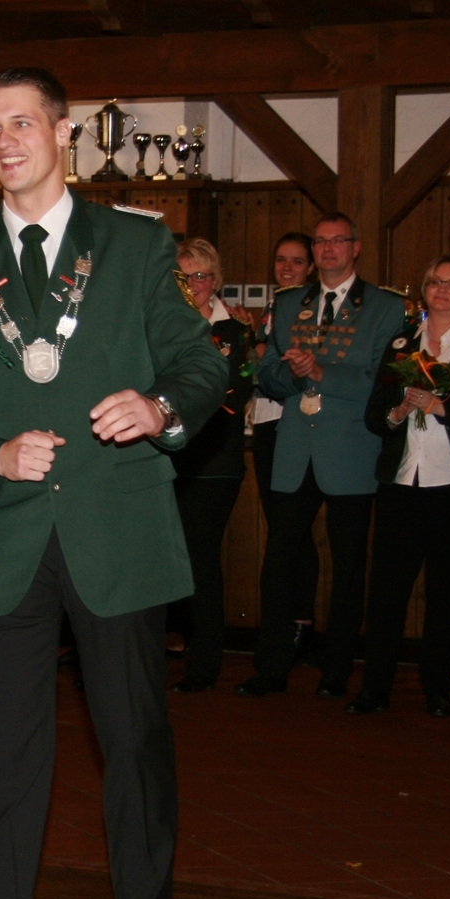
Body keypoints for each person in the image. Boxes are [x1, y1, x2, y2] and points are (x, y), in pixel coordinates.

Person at [0, 67, 228, 899]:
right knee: (4, 755)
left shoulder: (135, 243)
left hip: (117, 526)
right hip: (2, 533)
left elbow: (202, 364)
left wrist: (158, 406)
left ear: (64, 132)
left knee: (134, 740)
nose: (5, 141)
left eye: (22, 123)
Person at [237, 212, 407, 701]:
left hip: (351, 448)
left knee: (348, 564)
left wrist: (319, 373)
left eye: (337, 241)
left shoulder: (385, 306)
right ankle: (271, 667)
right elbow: (267, 375)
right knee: (278, 560)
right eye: (320, 242)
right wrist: (293, 375)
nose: (328, 249)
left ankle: (336, 669)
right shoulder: (290, 302)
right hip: (295, 447)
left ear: (356, 248)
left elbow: (382, 381)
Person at [347, 256, 450, 718]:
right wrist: (397, 413)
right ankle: (375, 687)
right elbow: (375, 414)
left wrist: (440, 408)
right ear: (423, 289)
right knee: (387, 591)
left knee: (447, 592)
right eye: (435, 281)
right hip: (402, 481)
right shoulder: (402, 342)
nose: (442, 290)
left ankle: (437, 688)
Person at [168, 239, 252, 694]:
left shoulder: (235, 331)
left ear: (215, 281)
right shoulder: (161, 324)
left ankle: (204, 663)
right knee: (163, 557)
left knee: (199, 560)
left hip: (214, 462)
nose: (193, 285)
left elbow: (230, 394)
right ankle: (157, 649)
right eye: (183, 277)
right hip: (166, 461)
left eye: (201, 276)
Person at [251, 232, 321, 661]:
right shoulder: (271, 308)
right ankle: (290, 623)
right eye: (281, 260)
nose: (287, 268)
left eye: (297, 261)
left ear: (311, 267)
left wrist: (266, 357)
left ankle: (301, 622)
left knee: (293, 530)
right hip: (265, 419)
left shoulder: (309, 309)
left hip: (294, 420)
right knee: (280, 525)